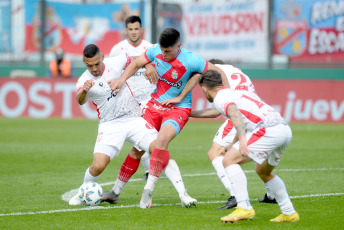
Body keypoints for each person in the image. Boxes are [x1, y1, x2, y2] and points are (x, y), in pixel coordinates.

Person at [109, 27, 229, 209]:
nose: (164, 54)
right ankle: (115, 192)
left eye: (168, 51)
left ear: (178, 46)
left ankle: (149, 189)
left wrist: (226, 96)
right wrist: (120, 81)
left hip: (178, 109)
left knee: (162, 140)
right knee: (137, 150)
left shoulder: (191, 59)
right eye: (162, 50)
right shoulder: (155, 49)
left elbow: (218, 72)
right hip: (154, 105)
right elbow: (135, 64)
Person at [198, 70, 300, 223]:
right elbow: (243, 119)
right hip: (284, 129)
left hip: (267, 130)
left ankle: (244, 207)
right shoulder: (236, 93)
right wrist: (233, 143)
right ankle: (289, 212)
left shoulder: (220, 97)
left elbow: (235, 114)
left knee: (228, 161)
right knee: (263, 171)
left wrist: (243, 140)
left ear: (204, 89)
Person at [68, 44, 158, 205]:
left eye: (97, 63)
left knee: (159, 148)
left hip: (133, 117)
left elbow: (139, 59)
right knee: (98, 166)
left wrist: (149, 65)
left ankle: (181, 193)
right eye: (89, 65)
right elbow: (80, 101)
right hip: (109, 124)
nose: (94, 68)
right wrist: (84, 91)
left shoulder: (116, 62)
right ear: (83, 62)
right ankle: (83, 192)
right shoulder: (83, 80)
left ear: (102, 56)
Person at [190, 59, 276, 209]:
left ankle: (235, 195)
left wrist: (188, 113)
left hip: (241, 113)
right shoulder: (236, 71)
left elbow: (217, 111)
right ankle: (272, 194)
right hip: (260, 112)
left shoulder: (217, 73)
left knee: (215, 153)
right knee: (256, 151)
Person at [109, 15, 154, 180]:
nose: (134, 32)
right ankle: (150, 171)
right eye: (130, 29)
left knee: (147, 135)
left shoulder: (150, 48)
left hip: (149, 98)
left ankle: (150, 171)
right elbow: (111, 72)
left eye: (136, 29)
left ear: (141, 30)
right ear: (126, 30)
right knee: (141, 135)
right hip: (129, 100)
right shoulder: (117, 49)